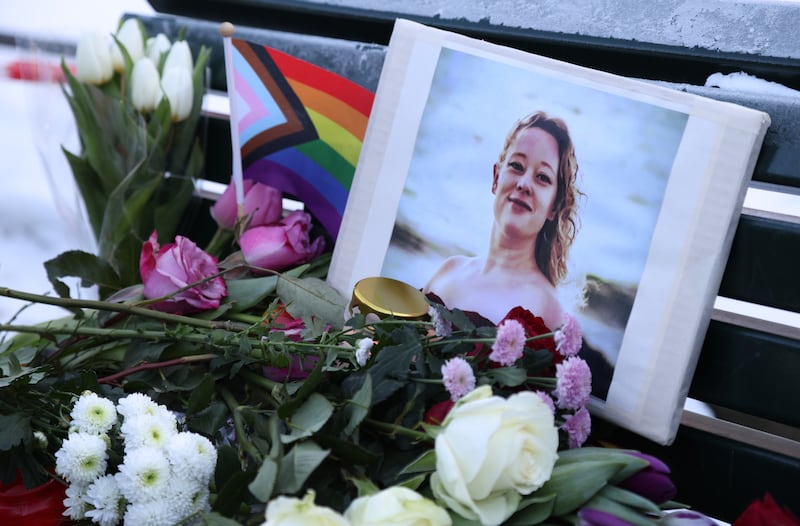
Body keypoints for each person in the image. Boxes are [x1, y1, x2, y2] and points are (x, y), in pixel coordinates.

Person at [424, 111, 581, 330]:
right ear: (496, 178)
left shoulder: (549, 308)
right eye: (517, 166)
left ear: (554, 206)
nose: (524, 184)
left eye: (542, 177)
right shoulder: (449, 270)